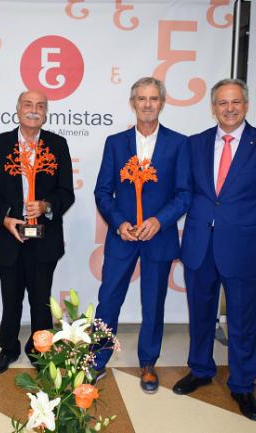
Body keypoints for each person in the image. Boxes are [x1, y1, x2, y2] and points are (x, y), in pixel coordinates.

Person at [174, 79, 256, 421]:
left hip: (243, 247)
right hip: (199, 246)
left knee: (244, 320)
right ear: (213, 107)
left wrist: (244, 222)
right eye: (222, 103)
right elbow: (187, 190)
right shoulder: (194, 144)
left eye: (235, 102)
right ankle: (200, 369)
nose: (229, 108)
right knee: (201, 315)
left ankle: (242, 385)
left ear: (246, 105)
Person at [93, 77, 191, 393]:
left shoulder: (179, 144)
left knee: (153, 304)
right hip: (122, 237)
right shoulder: (115, 143)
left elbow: (184, 193)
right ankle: (95, 360)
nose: (147, 104)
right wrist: (119, 222)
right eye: (141, 98)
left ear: (162, 103)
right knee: (108, 299)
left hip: (158, 238)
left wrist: (159, 221)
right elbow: (103, 191)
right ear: (132, 102)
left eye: (153, 98)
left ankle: (148, 363)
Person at [0, 89, 75, 374]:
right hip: (8, 236)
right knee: (11, 298)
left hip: (44, 237)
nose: (34, 110)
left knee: (41, 300)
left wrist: (46, 205)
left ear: (46, 113)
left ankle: (40, 350)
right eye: (28, 104)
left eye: (40, 106)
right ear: (18, 109)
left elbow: (66, 193)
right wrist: (6, 218)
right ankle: (8, 348)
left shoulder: (58, 145)